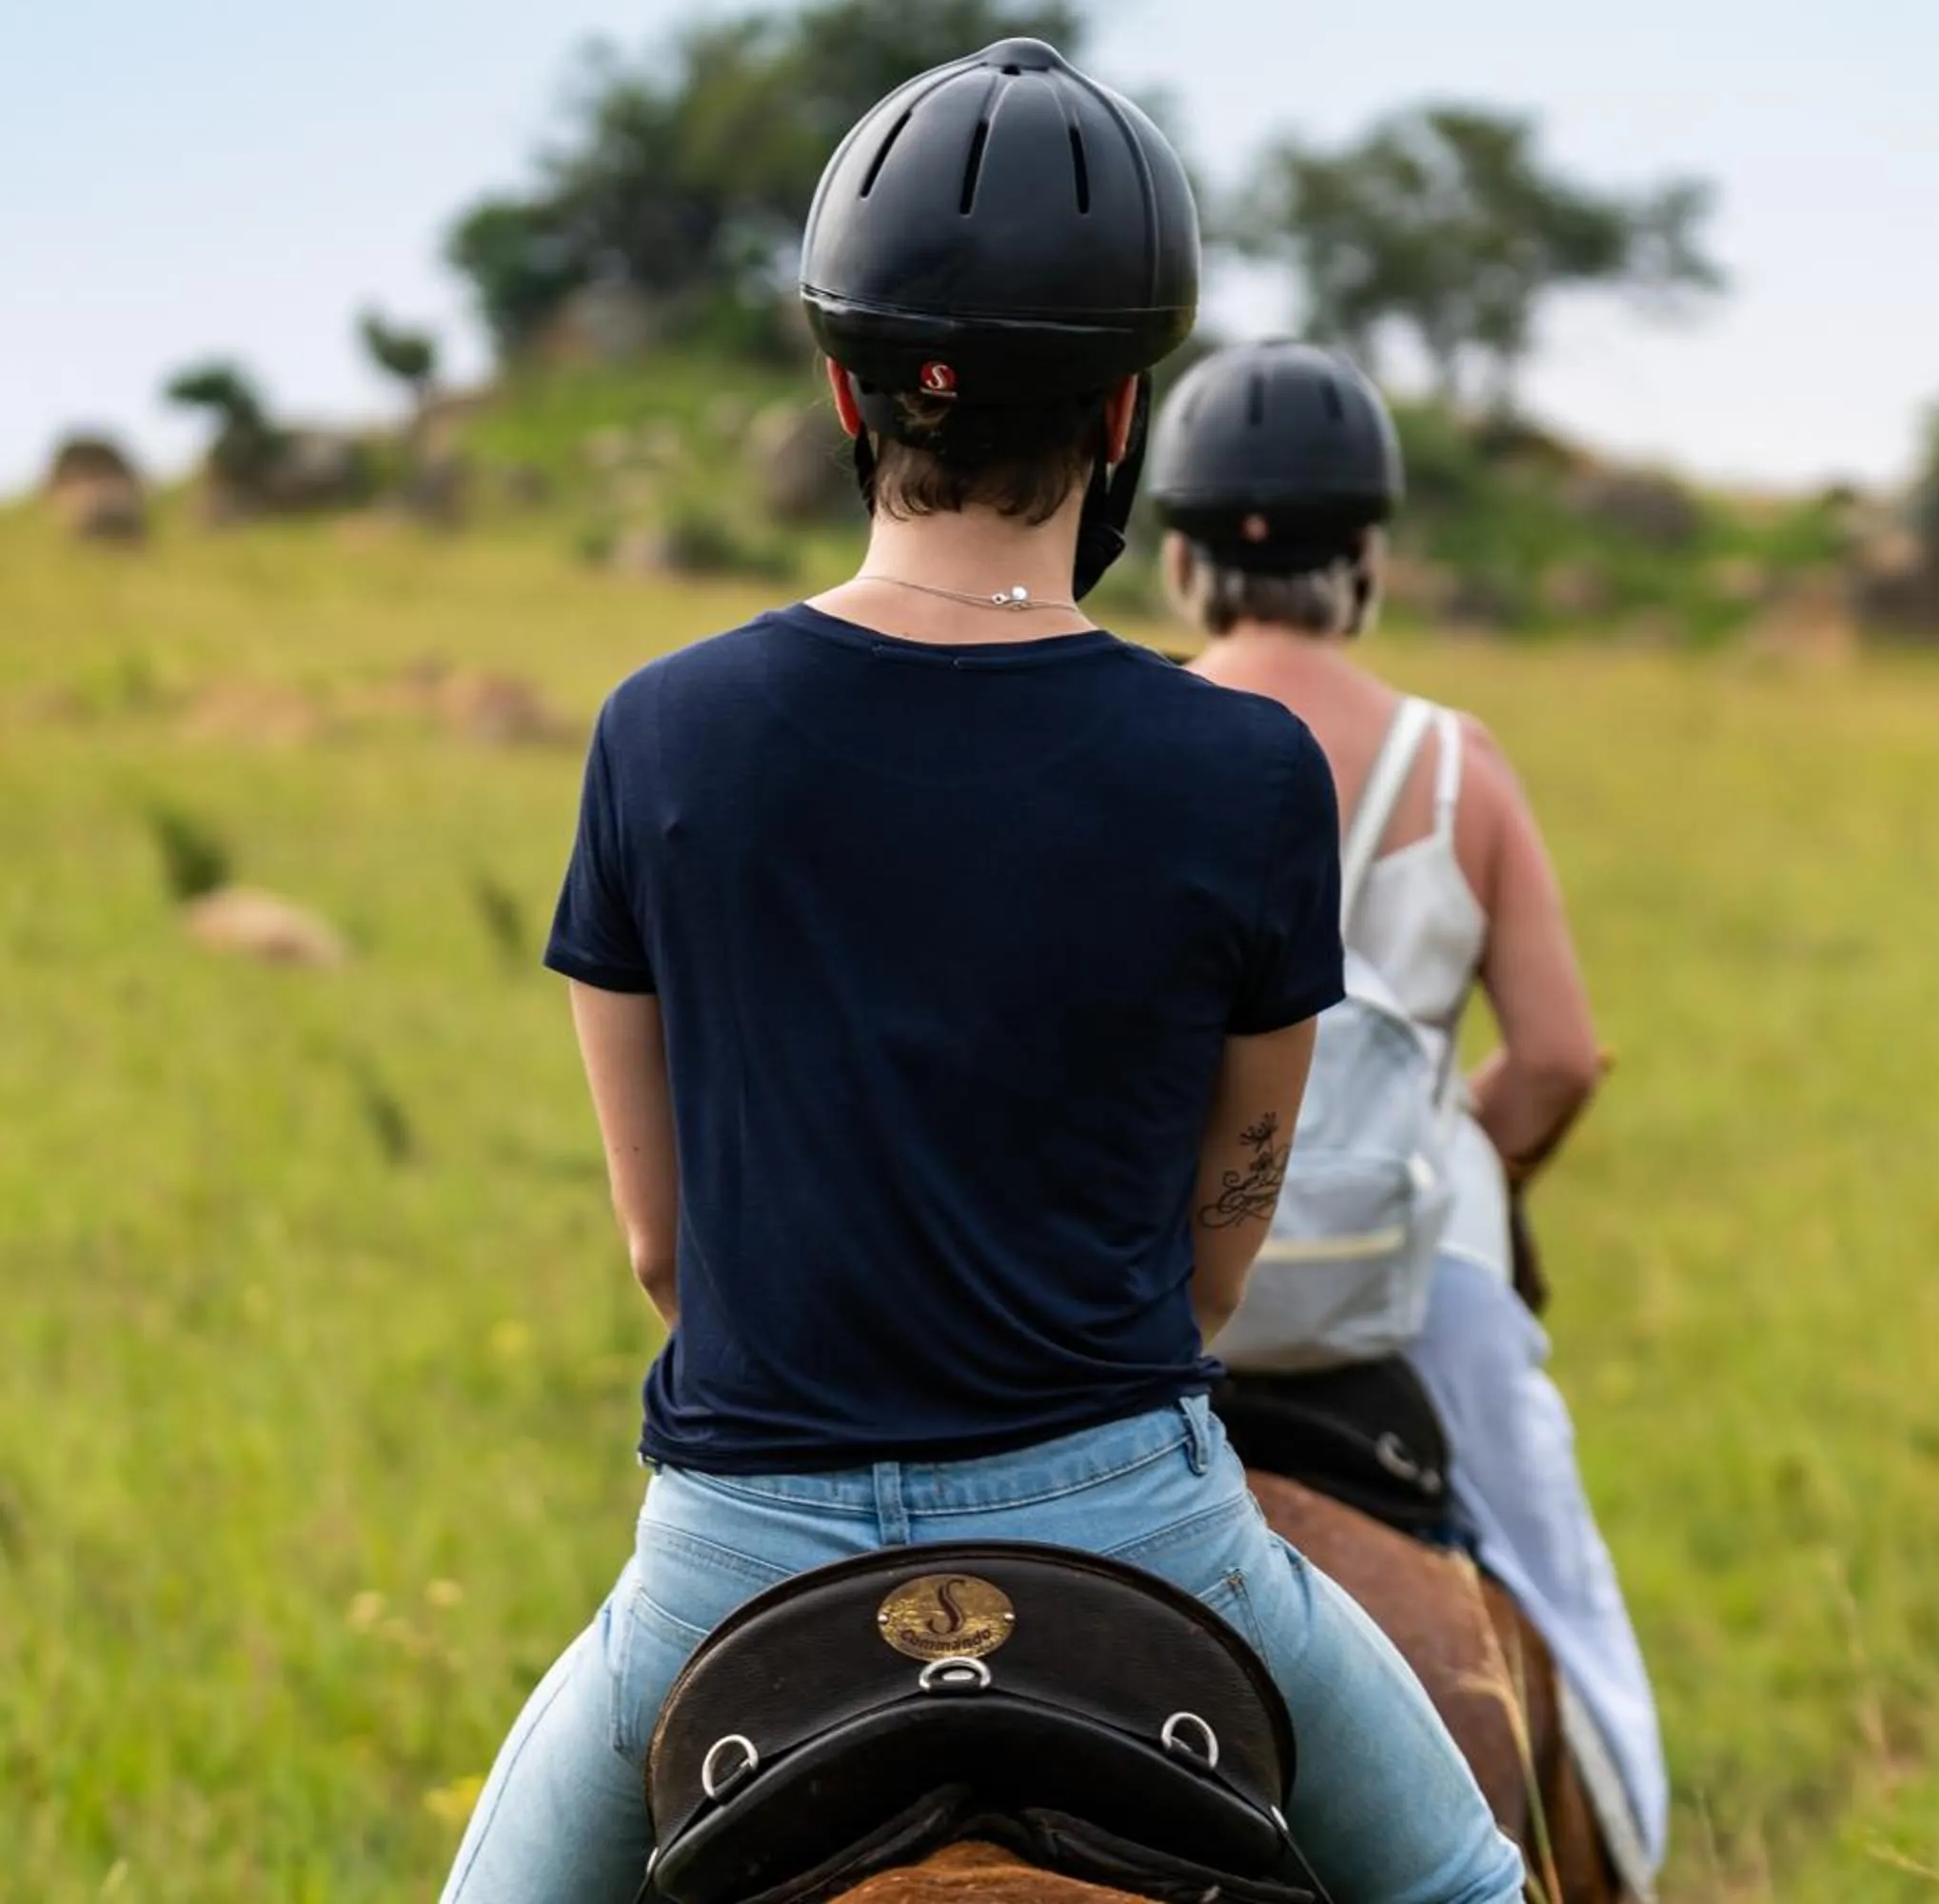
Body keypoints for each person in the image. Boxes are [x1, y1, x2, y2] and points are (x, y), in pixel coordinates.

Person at [438, 43, 1524, 1904]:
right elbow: (1218, 1240)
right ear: (1122, 418)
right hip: (1140, 1522)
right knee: (1475, 1888)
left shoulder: (662, 734)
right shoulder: (1244, 769)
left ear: (849, 388)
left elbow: (662, 1252)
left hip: (737, 1548)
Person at [1157, 340, 1672, 1891]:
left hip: (1160, 1269)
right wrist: (1447, 1164)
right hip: (1415, 1279)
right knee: (1566, 1611)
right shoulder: (1461, 765)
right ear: (1367, 561)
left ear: (1181, 559)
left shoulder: (1129, 741)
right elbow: (1563, 1054)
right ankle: (1623, 1856)